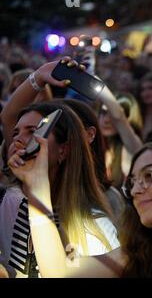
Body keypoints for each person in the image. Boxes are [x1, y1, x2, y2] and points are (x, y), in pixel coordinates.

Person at [8, 140, 152, 278]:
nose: (137, 189)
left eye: (150, 175)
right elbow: (58, 271)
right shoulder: (135, 255)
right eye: (132, 181)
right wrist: (37, 184)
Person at [1, 103, 119, 278]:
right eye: (15, 133)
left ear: (63, 149)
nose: (18, 140)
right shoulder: (8, 201)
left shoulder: (93, 225)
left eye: (33, 132)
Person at [98, 91, 143, 189]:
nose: (106, 120)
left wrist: (92, 78)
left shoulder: (133, 146)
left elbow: (119, 117)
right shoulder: (93, 144)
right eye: (104, 113)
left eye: (112, 116)